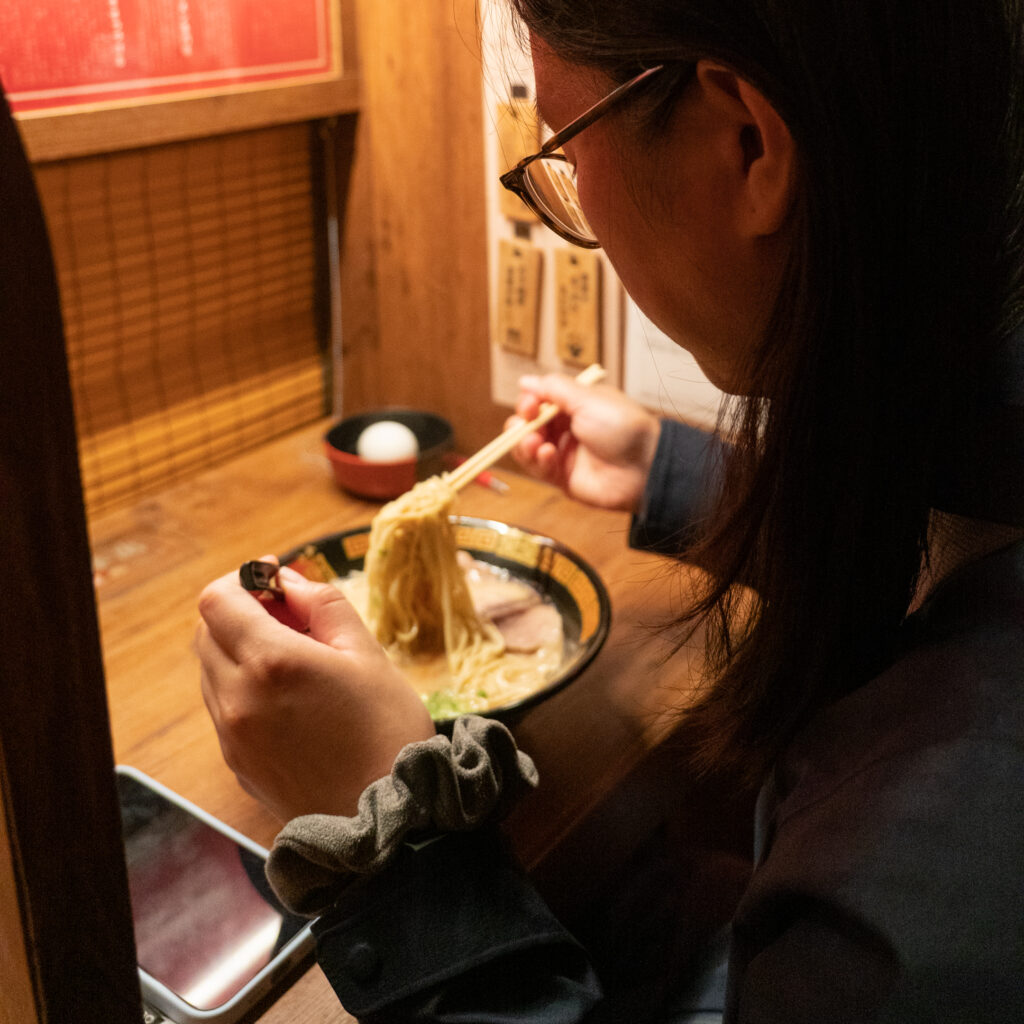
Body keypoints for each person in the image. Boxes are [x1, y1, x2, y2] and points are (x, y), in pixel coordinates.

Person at [195, 1, 1024, 1020]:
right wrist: (664, 471)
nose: (572, 197)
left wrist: (390, 834)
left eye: (566, 144)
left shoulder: (929, 874)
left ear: (749, 143)